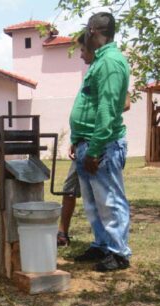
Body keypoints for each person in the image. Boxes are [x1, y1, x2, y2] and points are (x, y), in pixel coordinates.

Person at [69, 12, 131, 271]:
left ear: (93, 30)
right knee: (94, 202)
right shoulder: (100, 61)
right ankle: (102, 245)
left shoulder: (110, 63)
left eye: (87, 30)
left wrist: (94, 150)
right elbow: (90, 105)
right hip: (88, 143)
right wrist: (77, 140)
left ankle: (119, 253)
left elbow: (108, 109)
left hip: (102, 146)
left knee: (110, 200)